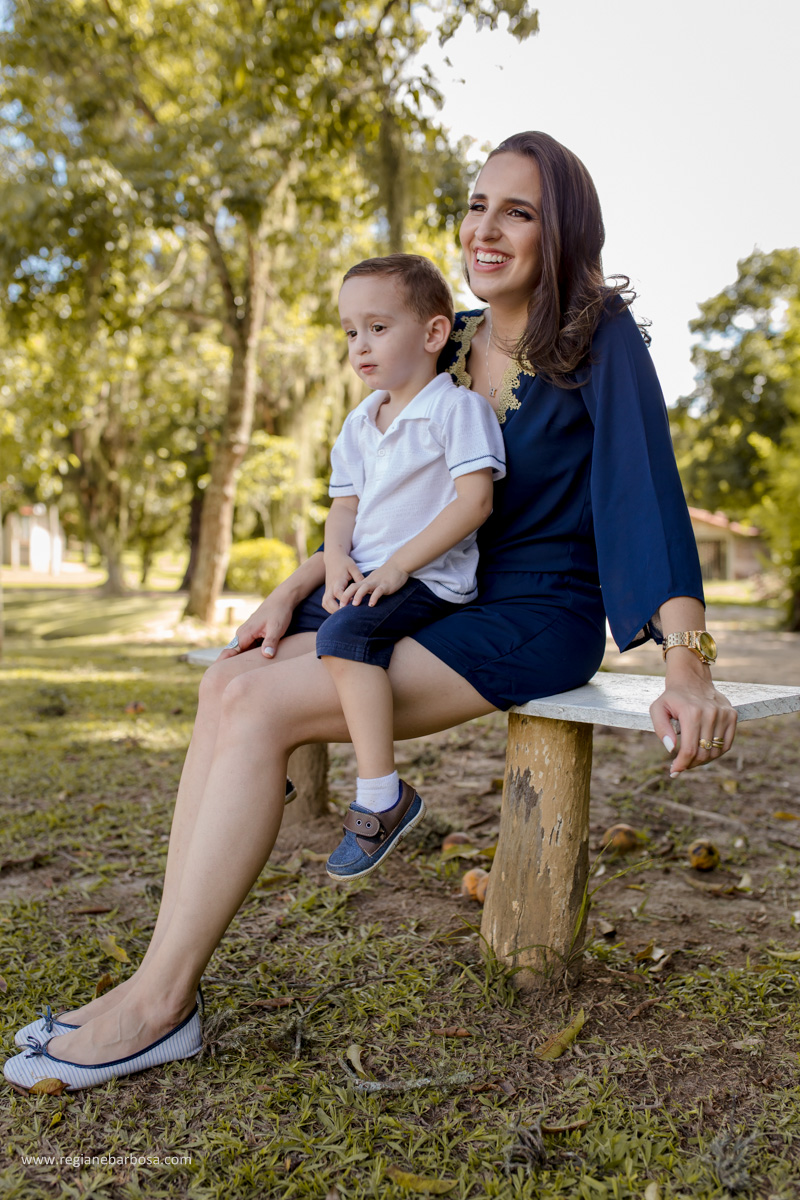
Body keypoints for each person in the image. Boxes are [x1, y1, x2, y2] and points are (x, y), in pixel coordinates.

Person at [4, 130, 737, 1093]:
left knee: (263, 708)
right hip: (429, 592)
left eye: (518, 211)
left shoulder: (597, 336)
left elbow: (642, 495)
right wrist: (295, 587)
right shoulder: (450, 337)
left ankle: (159, 1006)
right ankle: (149, 981)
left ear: (562, 230)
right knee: (231, 678)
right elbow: (391, 501)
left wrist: (687, 663)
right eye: (477, 204)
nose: (486, 228)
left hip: (531, 616)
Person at [291, 254, 505, 880]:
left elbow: (476, 503)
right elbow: (343, 508)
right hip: (364, 574)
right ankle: (263, 759)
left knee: (344, 636)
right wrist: (335, 564)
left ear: (434, 334)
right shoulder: (360, 421)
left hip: (427, 578)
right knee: (254, 640)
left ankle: (383, 795)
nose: (360, 345)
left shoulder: (455, 410)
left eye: (378, 328)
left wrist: (396, 569)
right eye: (350, 331)